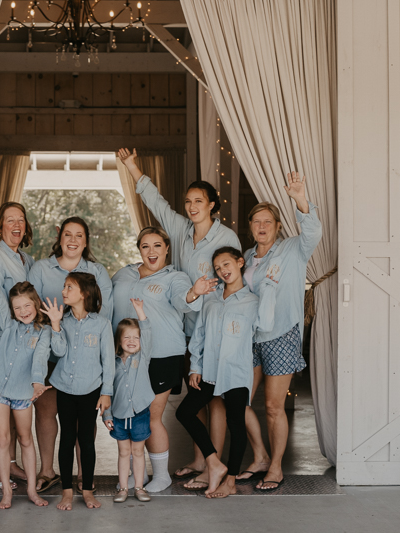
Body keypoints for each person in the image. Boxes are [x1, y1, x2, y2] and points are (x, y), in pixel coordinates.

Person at [117, 147, 242, 483]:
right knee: (194, 394)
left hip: (212, 327)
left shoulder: (226, 237)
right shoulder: (179, 229)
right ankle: (202, 460)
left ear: (212, 204)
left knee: (213, 398)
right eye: (188, 201)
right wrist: (132, 166)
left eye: (198, 201)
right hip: (183, 327)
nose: (191, 206)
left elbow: (233, 280)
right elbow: (156, 202)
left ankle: (214, 463)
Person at [111, 226, 216, 493]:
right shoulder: (124, 273)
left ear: (167, 248)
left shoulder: (175, 277)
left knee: (150, 417)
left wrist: (194, 292)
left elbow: (184, 300)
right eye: (145, 246)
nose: (151, 251)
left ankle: (161, 475)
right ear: (139, 250)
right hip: (126, 358)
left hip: (162, 355)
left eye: (157, 245)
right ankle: (138, 474)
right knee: (130, 416)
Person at [238, 172, 322, 490]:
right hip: (251, 337)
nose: (261, 226)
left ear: (277, 226)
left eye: (267, 221)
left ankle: (275, 466)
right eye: (256, 222)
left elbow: (313, 231)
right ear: (251, 227)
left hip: (282, 334)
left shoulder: (293, 250)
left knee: (273, 405)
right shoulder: (246, 259)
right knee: (239, 399)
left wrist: (300, 197)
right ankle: (259, 455)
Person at [176, 247, 274, 499]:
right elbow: (199, 334)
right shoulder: (211, 298)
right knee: (184, 412)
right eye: (218, 268)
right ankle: (214, 462)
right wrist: (195, 366)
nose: (223, 270)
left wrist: (271, 288)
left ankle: (229, 481)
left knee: (236, 424)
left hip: (235, 372)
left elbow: (266, 325)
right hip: (208, 370)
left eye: (227, 264)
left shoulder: (253, 302)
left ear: (240, 263)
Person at [27, 217, 113, 494]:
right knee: (47, 411)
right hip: (50, 348)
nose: (73, 240)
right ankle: (48, 471)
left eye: (79, 235)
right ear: (59, 237)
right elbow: (29, 308)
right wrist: (53, 330)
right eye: (67, 234)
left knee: (84, 420)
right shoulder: (41, 268)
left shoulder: (97, 271)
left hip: (84, 353)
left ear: (86, 241)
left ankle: (81, 475)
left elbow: (104, 314)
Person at [41, 272, 114, 511]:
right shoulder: (63, 322)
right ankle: (67, 492)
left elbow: (109, 361)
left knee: (86, 440)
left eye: (69, 287)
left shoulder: (102, 324)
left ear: (84, 293)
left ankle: (87, 492)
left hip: (91, 389)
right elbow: (59, 352)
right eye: (64, 286)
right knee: (67, 439)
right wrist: (54, 324)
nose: (63, 291)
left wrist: (107, 392)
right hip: (64, 387)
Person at [0, 279, 51, 509]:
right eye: (17, 307)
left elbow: (40, 357)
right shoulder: (9, 324)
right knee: (2, 438)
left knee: (25, 438)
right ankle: (7, 492)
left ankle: (31, 490)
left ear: (36, 304)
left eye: (27, 306)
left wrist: (38, 382)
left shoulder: (43, 331)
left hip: (23, 391)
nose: (23, 312)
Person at [0, 202, 36, 489]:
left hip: (23, 346)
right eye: (10, 220)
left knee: (16, 412)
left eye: (21, 220)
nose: (16, 225)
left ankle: (11, 463)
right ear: (0, 226)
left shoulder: (25, 259)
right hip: (1, 344)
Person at [104, 298, 153, 504]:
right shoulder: (112, 364)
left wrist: (140, 311)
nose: (132, 341)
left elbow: (148, 333)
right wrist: (106, 414)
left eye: (136, 337)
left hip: (140, 412)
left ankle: (139, 487)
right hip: (119, 414)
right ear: (119, 340)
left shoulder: (143, 358)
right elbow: (108, 391)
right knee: (124, 452)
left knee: (138, 452)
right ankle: (123, 488)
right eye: (127, 337)